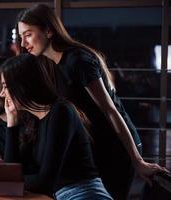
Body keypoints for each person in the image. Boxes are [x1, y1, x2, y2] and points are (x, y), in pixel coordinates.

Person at [14, 4, 167, 199]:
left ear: (49, 30)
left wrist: (138, 162)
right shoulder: (48, 66)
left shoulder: (78, 61)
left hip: (116, 145)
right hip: (95, 146)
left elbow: (110, 110)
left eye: (28, 34)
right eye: (20, 36)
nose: (23, 42)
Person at [0, 53, 112, 199]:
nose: (2, 94)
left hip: (85, 194)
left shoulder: (61, 111)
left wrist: (10, 180)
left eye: (5, 86)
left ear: (22, 85)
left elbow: (44, 182)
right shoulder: (33, 120)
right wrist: (12, 121)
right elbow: (12, 170)